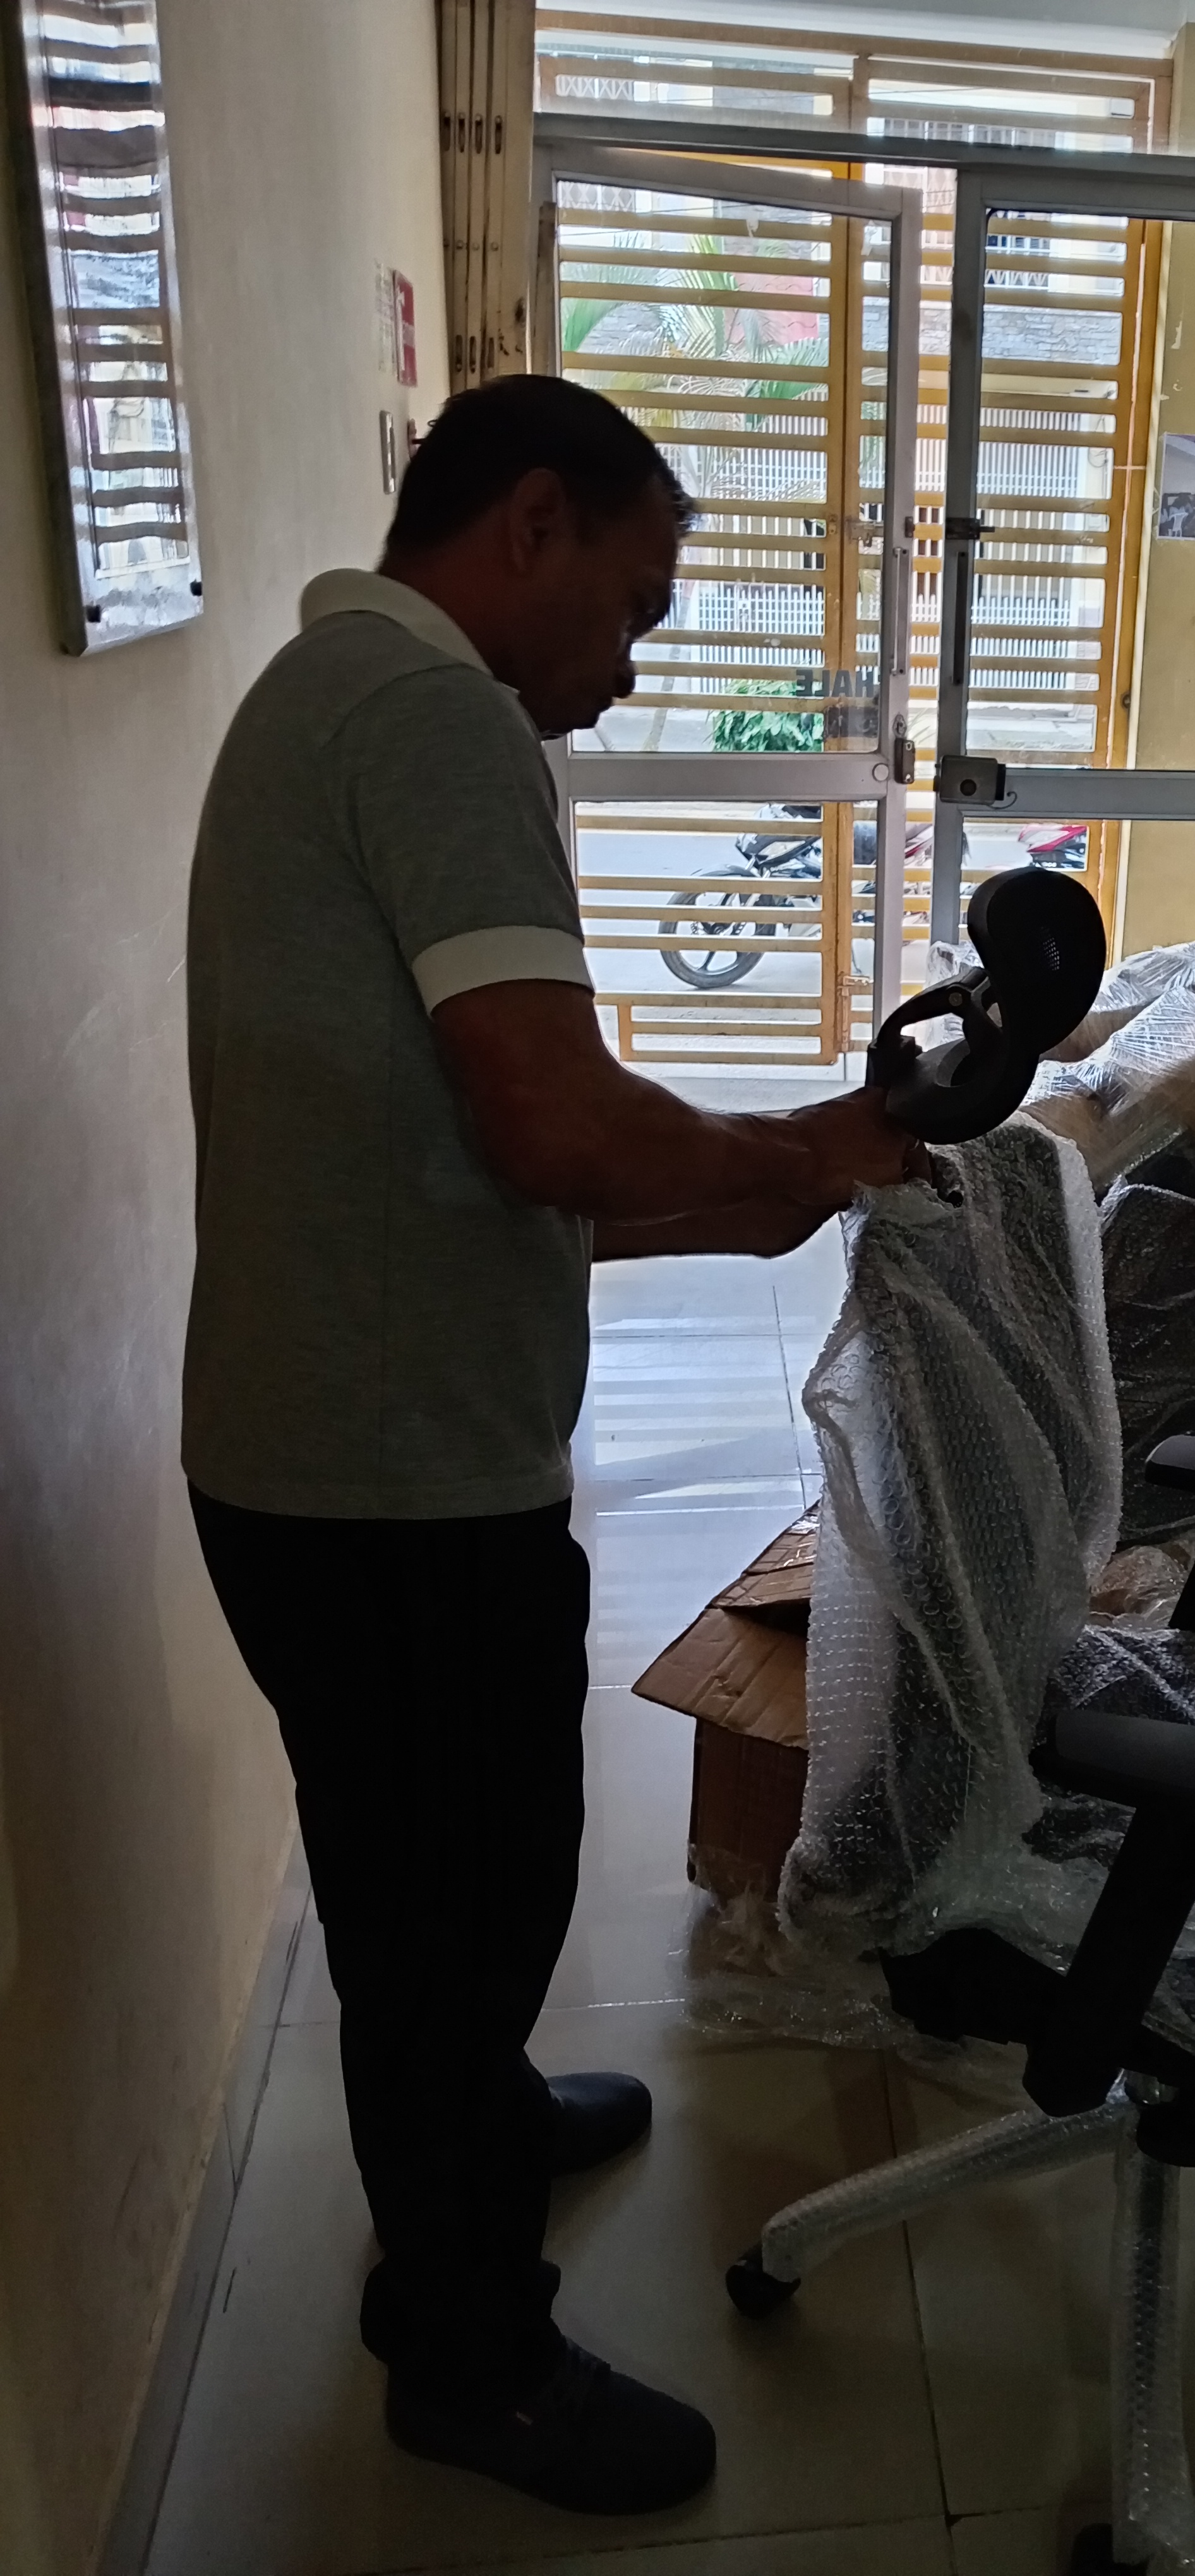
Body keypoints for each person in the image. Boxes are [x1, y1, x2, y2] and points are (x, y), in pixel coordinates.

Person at [180, 375, 920, 2515]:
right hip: (389, 1483)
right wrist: (790, 1150)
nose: (635, 663)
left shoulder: (324, 695)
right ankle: (472, 2359)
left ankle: (479, 2136)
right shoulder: (436, 722)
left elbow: (476, 1161)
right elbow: (549, 1121)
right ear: (529, 524)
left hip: (334, 1444)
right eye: (636, 601)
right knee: (457, 1911)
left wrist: (772, 1179)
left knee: (435, 1889)